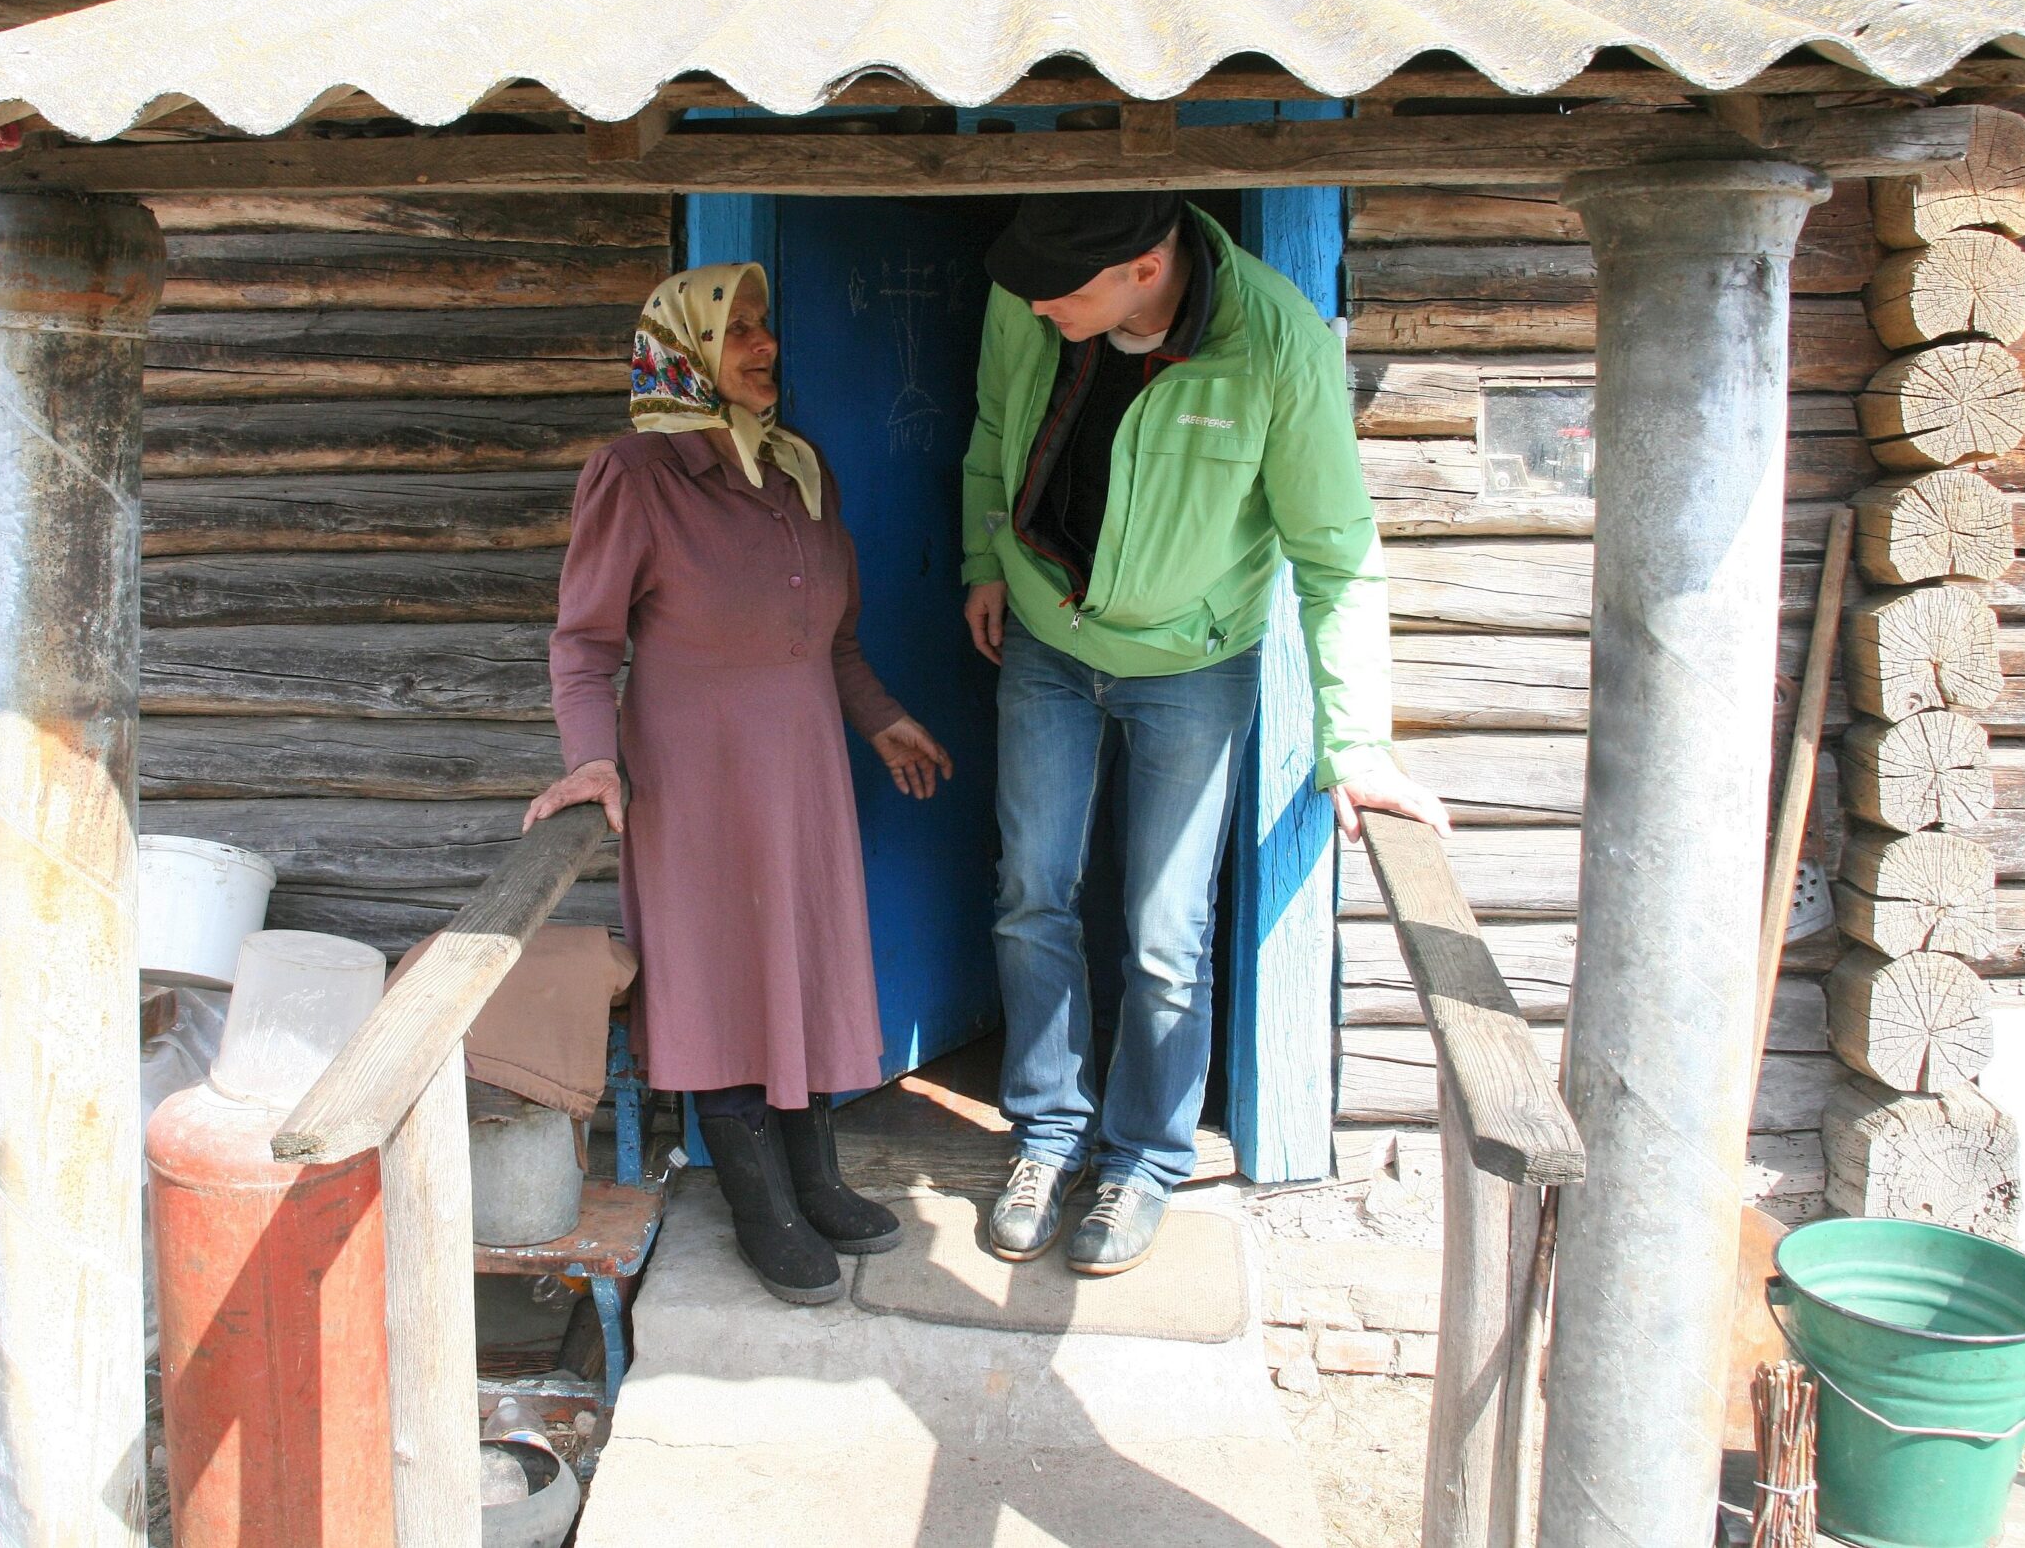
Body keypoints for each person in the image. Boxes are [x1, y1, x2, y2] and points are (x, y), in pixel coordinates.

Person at [961, 192, 1448, 1276]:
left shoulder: (1272, 346)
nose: (1036, 307)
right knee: (1032, 890)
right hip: (1045, 636)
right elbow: (995, 430)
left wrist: (1356, 745)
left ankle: (1141, 1158)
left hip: (1190, 662)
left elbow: (1335, 553)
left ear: (1143, 267)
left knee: (1162, 931)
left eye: (1062, 294)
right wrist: (983, 563)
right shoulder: (1027, 297)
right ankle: (1047, 1134)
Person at [528, 261, 954, 1306]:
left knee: (800, 961)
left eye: (766, 328)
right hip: (694, 779)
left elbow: (833, 645)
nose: (764, 348)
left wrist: (884, 719)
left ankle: (818, 1177)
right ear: (682, 351)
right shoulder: (635, 474)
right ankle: (761, 1205)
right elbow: (583, 647)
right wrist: (590, 758)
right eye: (739, 333)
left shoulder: (801, 470)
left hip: (802, 770)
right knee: (718, 974)